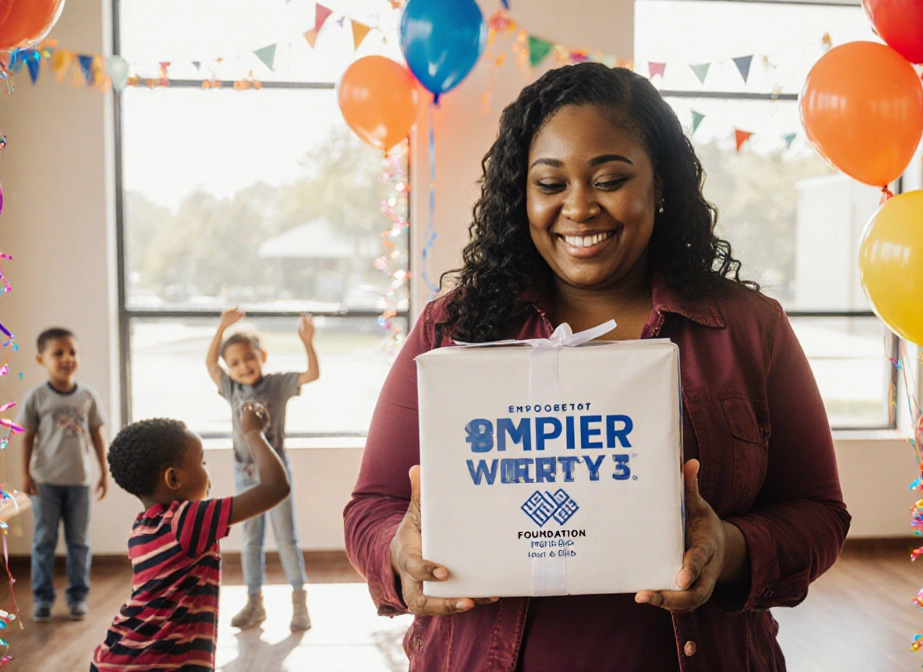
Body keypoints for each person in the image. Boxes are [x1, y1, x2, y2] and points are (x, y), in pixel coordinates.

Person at [344, 62, 850, 671]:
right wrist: (398, 553)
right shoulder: (450, 330)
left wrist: (731, 549)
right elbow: (372, 505)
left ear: (660, 184)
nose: (579, 208)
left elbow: (818, 513)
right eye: (550, 184)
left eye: (609, 179)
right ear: (521, 196)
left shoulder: (748, 329)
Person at [91, 404, 291, 671]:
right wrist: (253, 433)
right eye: (202, 462)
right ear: (173, 478)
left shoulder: (142, 527)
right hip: (155, 664)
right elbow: (275, 487)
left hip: (118, 657)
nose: (207, 473)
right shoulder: (186, 520)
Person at [206, 308, 318, 631]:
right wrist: (221, 329)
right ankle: (254, 603)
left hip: (276, 472)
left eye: (248, 358)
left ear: (262, 356)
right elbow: (211, 365)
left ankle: (299, 602)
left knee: (286, 538)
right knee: (250, 540)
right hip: (245, 473)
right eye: (235, 363)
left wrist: (307, 342)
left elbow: (312, 374)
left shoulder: (278, 385)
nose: (242, 367)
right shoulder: (232, 390)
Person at [18, 327, 109, 622]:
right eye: (58, 353)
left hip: (79, 482)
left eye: (72, 352)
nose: (67, 358)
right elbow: (27, 437)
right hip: (45, 482)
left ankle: (78, 597)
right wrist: (26, 475)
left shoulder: (87, 396)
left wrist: (104, 472)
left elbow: (97, 435)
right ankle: (42, 598)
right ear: (40, 359)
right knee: (44, 541)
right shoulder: (37, 397)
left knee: (79, 543)